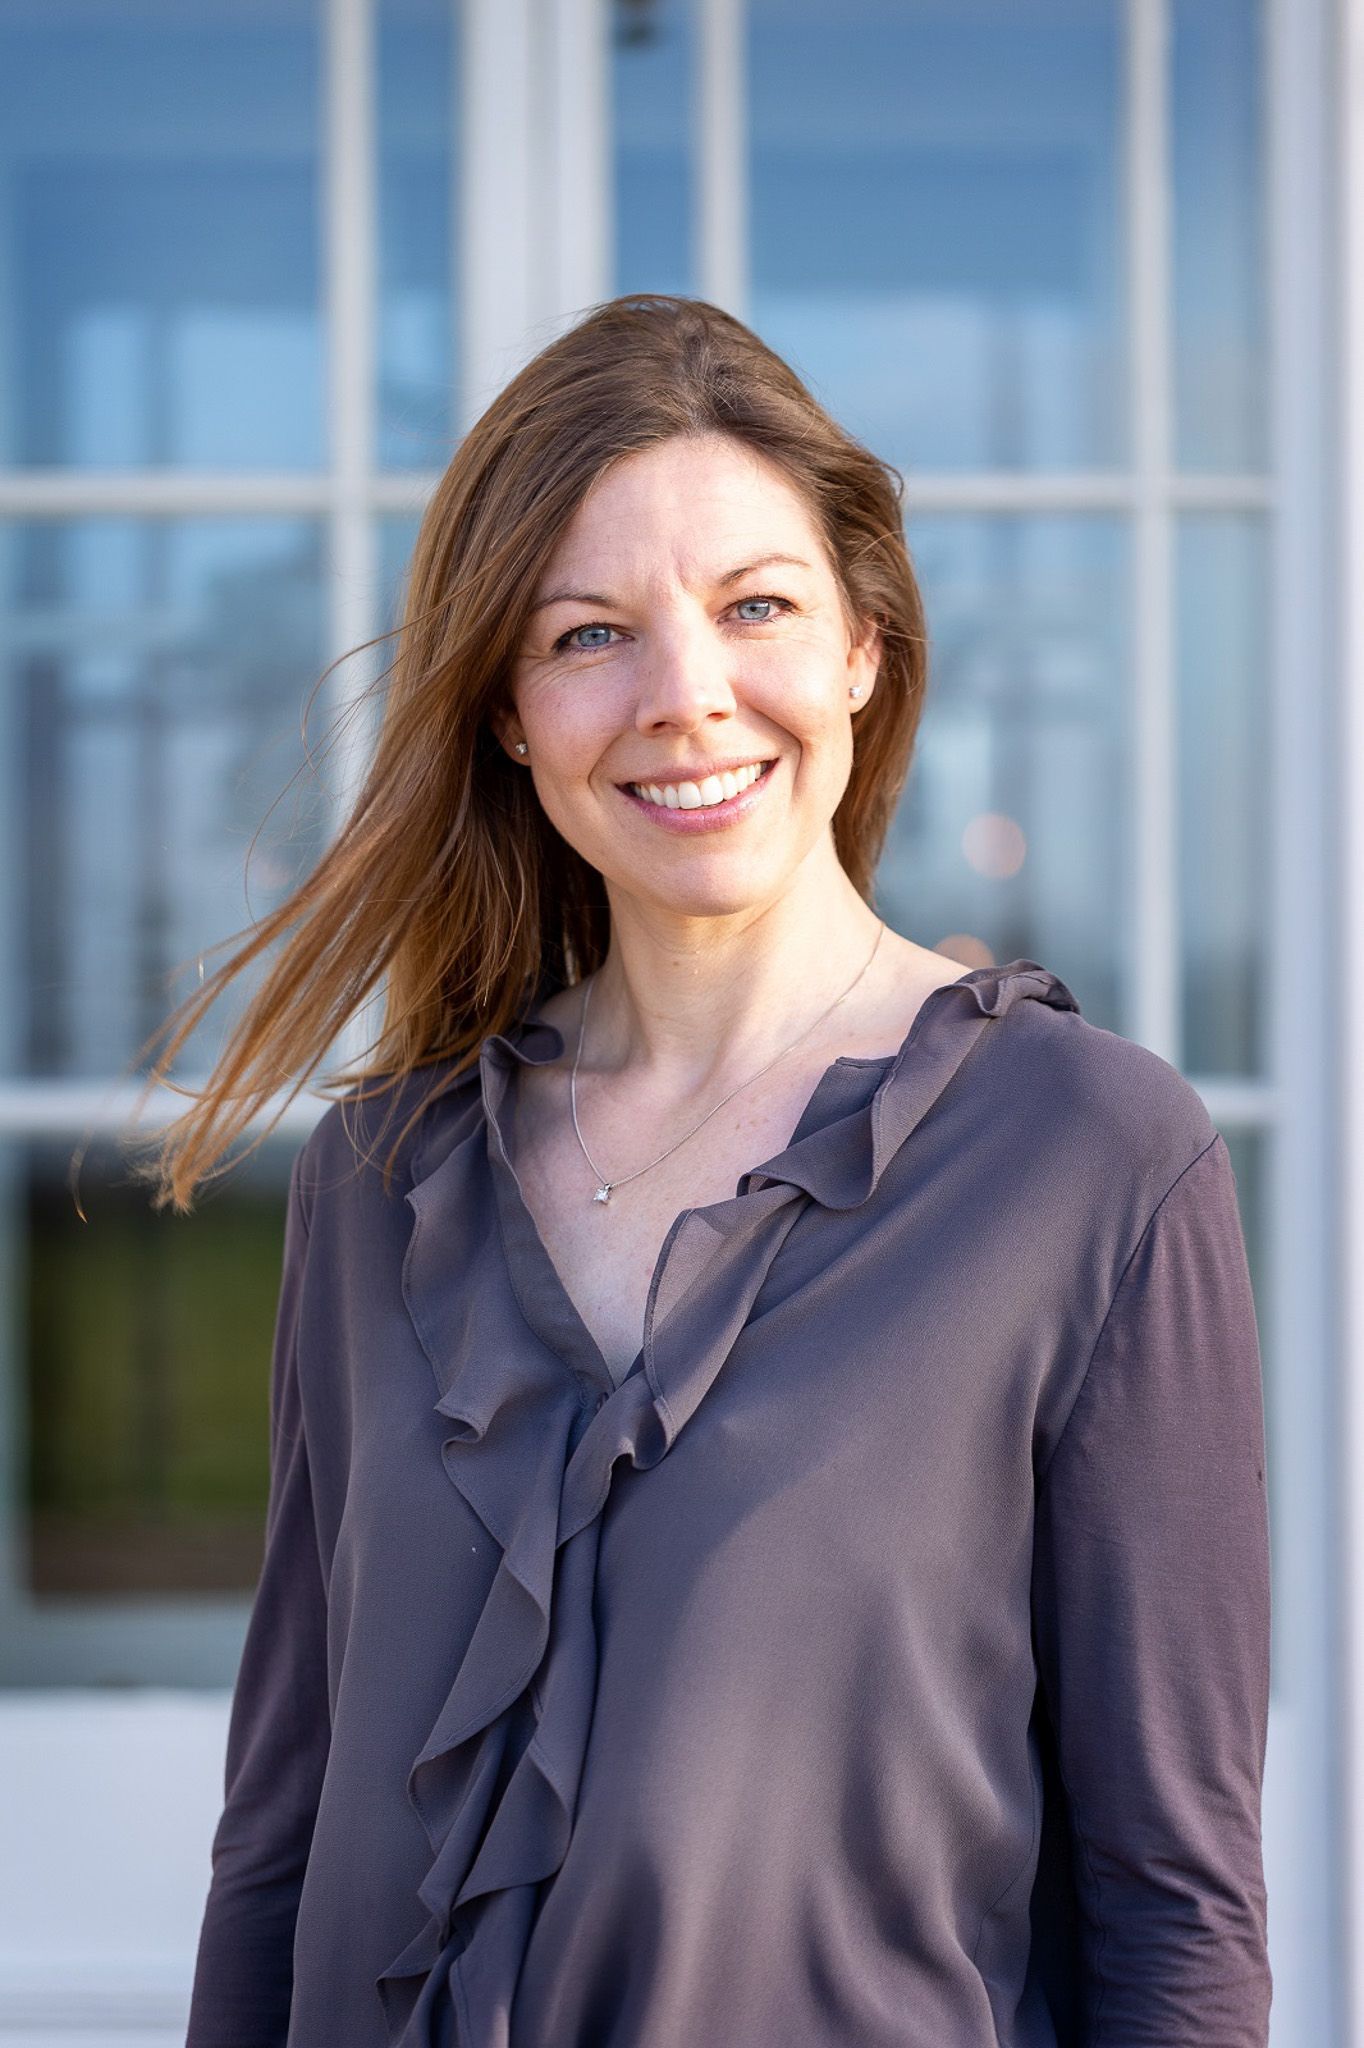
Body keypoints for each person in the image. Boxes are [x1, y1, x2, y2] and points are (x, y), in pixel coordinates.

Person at [154, 295, 1271, 2046]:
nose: (686, 698)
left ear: (862, 651)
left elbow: (1172, 1899)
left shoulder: (1094, 1158)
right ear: (511, 714)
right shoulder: (378, 1181)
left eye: (755, 607)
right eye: (589, 633)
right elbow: (277, 1844)